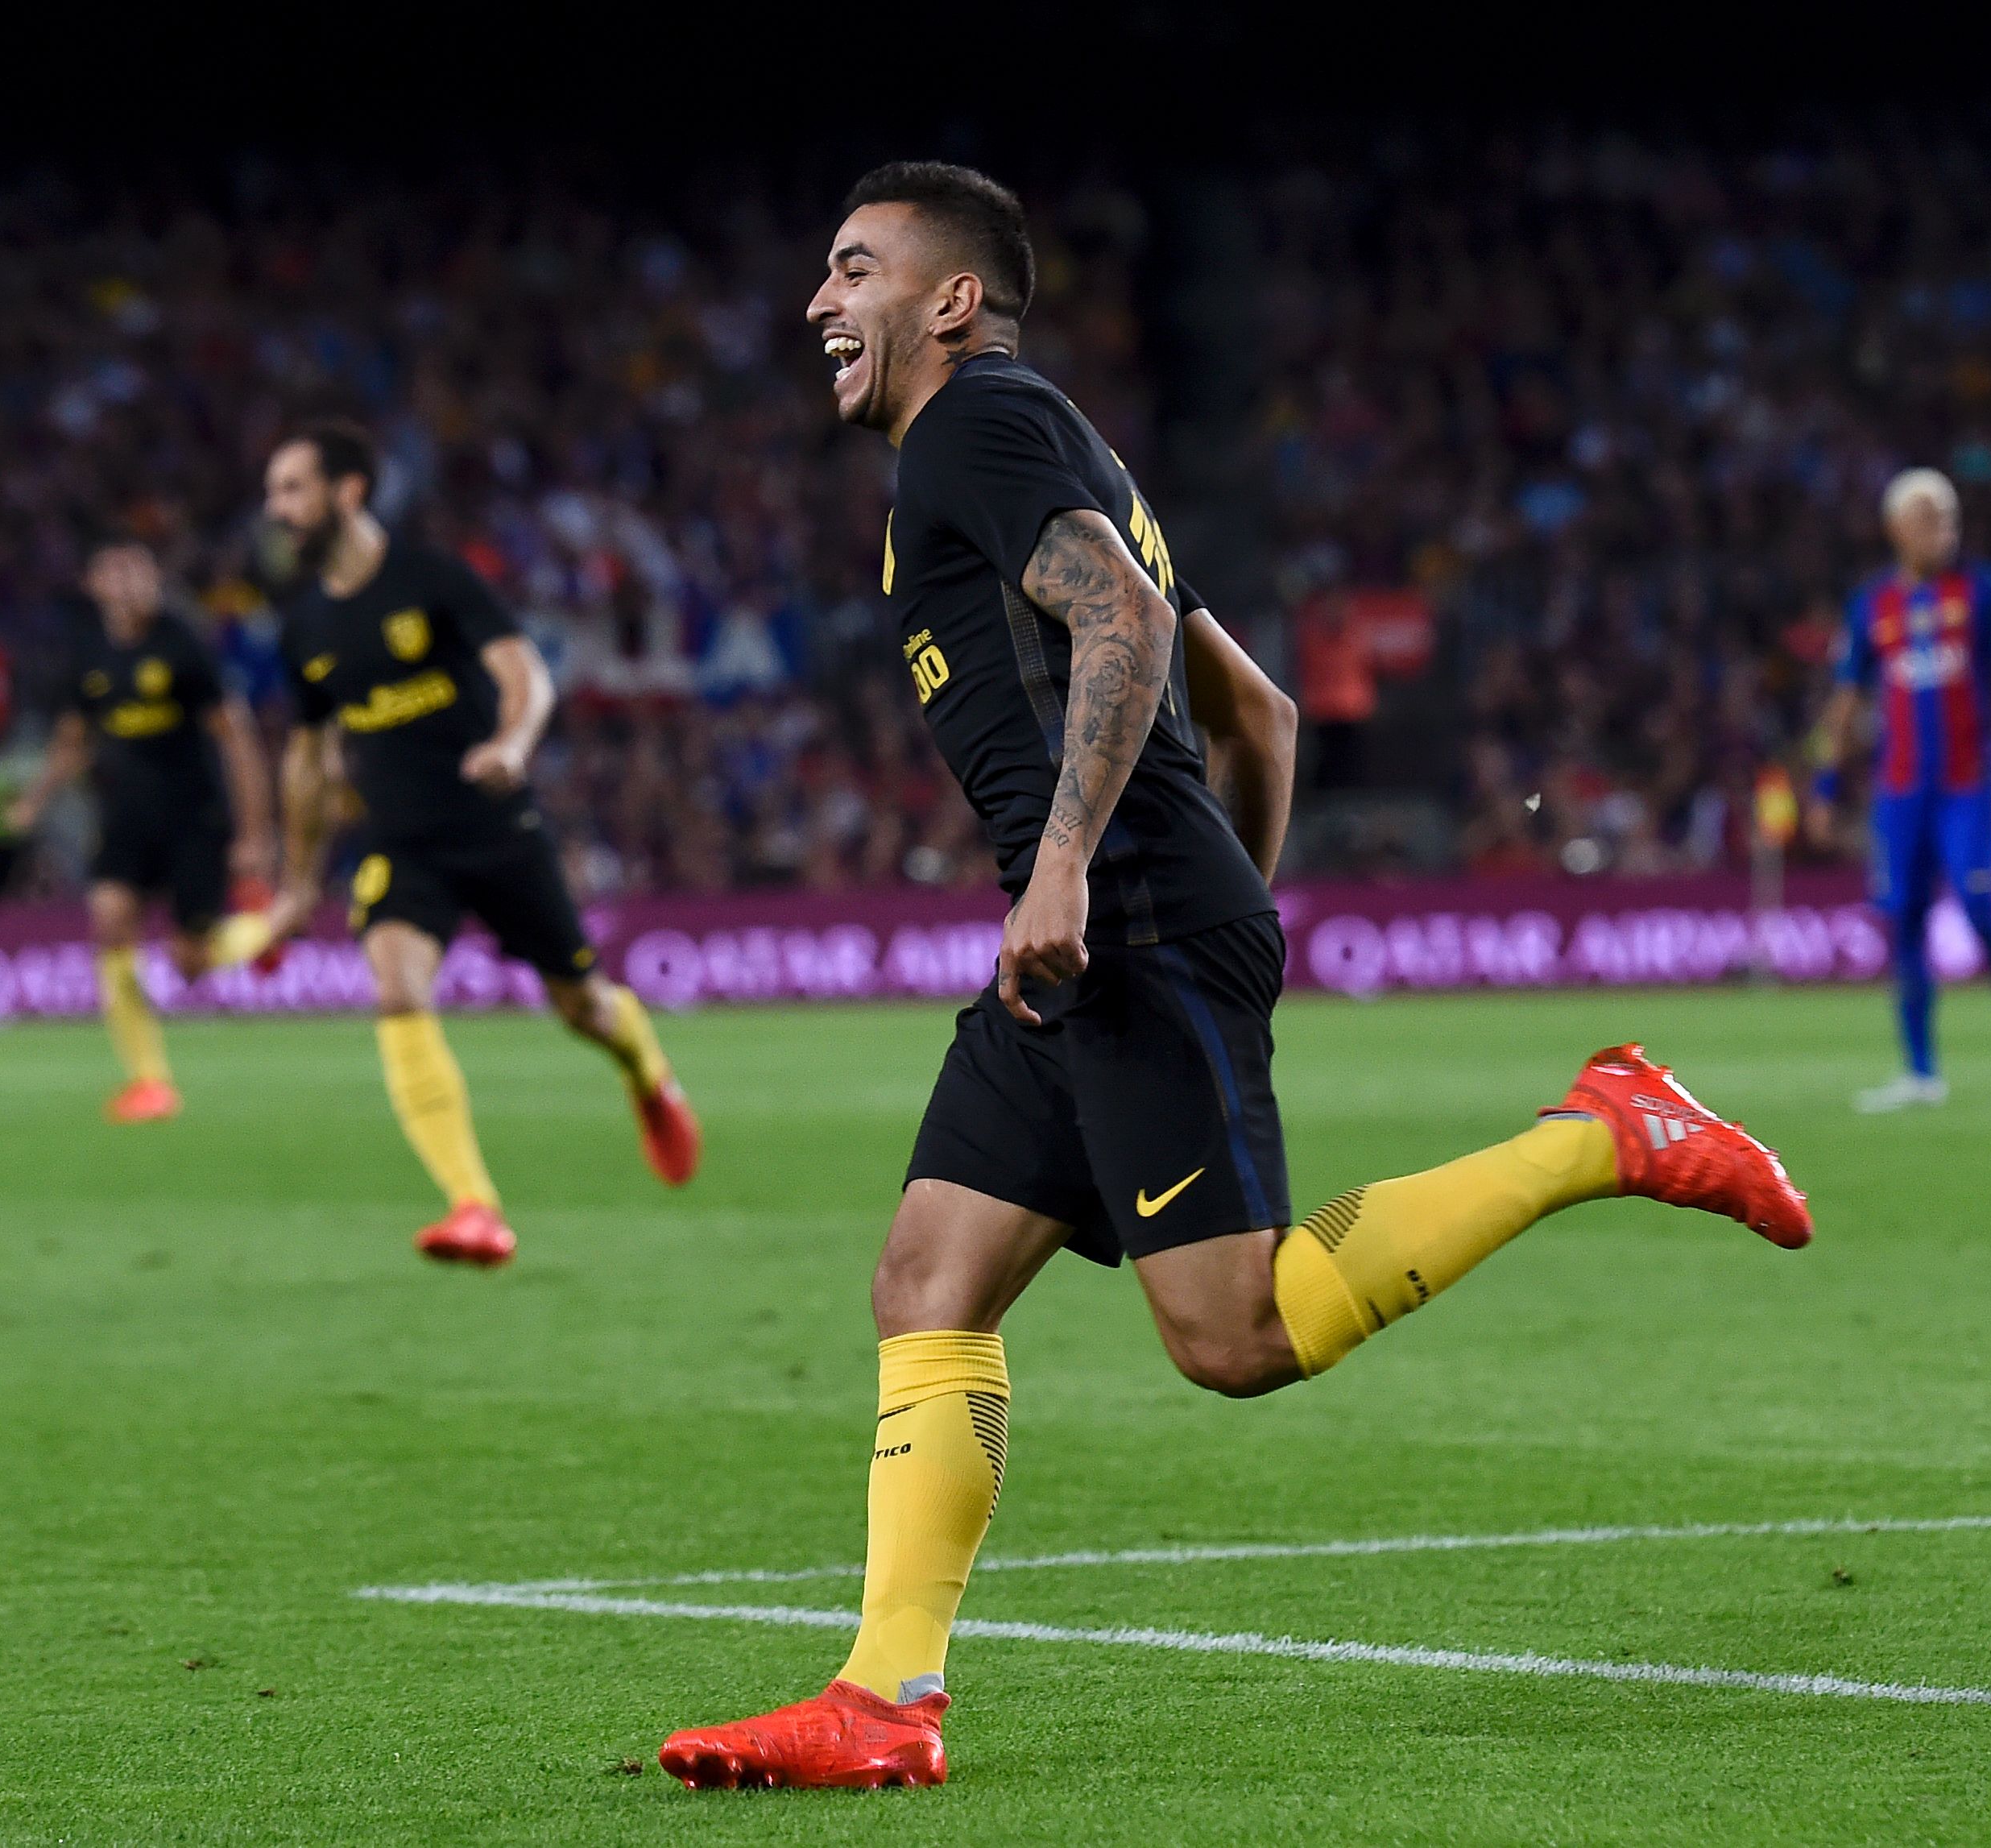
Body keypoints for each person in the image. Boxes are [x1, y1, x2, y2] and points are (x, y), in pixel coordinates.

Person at [655, 163, 1813, 1792]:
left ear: (949, 300)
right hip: (1102, 936)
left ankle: (1598, 1131)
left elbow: (1122, 619)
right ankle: (883, 1697)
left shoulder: (976, 430)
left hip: (1107, 915)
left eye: (851, 269)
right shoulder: (1050, 448)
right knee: (928, 1279)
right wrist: (1218, 918)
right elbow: (1256, 712)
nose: (816, 305)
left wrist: (1086, 871)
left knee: (1235, 1331)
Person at [261, 421, 700, 1268]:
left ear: (347, 492)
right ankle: (475, 1206)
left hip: (494, 826)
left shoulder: (432, 578)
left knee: (582, 1007)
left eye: (293, 488)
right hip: (400, 844)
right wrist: (296, 882)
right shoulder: (305, 625)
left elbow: (524, 673)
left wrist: (511, 742)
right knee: (397, 988)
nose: (277, 509)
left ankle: (647, 1070)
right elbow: (308, 759)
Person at [1807, 469, 1991, 1112]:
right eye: (1928, 519)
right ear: (1895, 529)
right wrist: (1824, 783)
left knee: (1979, 912)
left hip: (1967, 785)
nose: (1942, 530)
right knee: (1904, 920)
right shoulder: (1871, 605)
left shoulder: (1984, 590)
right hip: (1900, 792)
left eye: (1948, 518)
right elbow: (1842, 701)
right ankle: (1920, 1072)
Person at [9, 537, 277, 1124]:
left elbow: (237, 738)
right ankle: (148, 1082)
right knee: (109, 922)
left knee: (191, 963)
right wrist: (35, 800)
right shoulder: (90, 654)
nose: (132, 582)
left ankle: (271, 927)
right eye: (118, 571)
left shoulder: (183, 645)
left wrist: (254, 833)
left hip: (193, 818)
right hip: (126, 817)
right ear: (94, 584)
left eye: (141, 570)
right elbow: (73, 741)